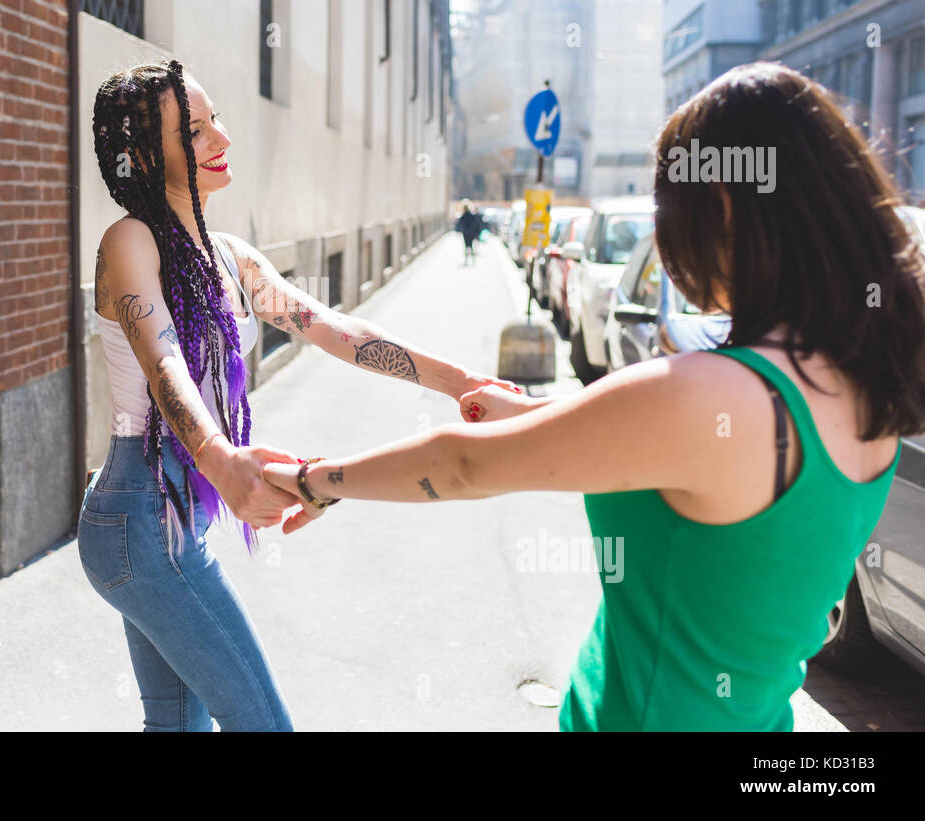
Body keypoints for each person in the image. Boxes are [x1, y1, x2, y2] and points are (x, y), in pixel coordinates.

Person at [263, 62, 925, 731]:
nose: (665, 243)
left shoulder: (713, 392)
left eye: (669, 205)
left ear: (722, 200)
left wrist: (311, 479)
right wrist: (527, 414)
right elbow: (670, 459)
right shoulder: (870, 394)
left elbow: (460, 463)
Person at [79, 59, 518, 731]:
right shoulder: (128, 242)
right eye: (194, 131)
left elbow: (336, 329)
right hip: (139, 514)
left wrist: (461, 383)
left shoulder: (230, 257)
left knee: (178, 727)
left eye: (215, 117)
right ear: (145, 155)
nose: (220, 138)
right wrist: (220, 457)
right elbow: (161, 359)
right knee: (261, 720)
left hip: (167, 520)